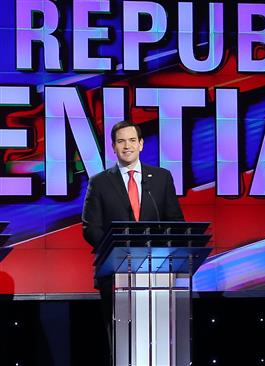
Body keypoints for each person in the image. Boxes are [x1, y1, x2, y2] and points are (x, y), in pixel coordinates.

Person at [81, 120, 184, 364]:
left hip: (156, 273)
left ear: (141, 144)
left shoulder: (160, 178)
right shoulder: (100, 182)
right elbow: (90, 227)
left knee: (157, 343)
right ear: (113, 147)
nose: (127, 146)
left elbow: (176, 222)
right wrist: (118, 251)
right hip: (115, 273)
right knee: (122, 345)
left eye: (131, 140)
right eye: (120, 141)